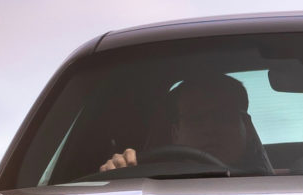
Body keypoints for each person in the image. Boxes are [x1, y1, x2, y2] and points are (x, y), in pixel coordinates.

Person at [98, 74, 270, 173]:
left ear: (246, 126)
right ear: (175, 132)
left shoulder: (284, 186)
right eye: (195, 118)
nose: (209, 128)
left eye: (223, 117)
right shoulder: (143, 182)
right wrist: (117, 176)